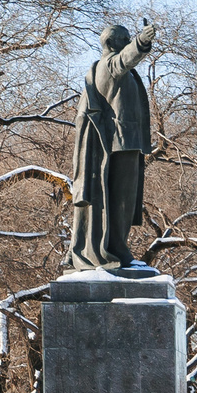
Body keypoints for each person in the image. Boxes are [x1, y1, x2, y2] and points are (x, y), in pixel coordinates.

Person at [68, 22, 156, 269]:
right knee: (121, 203)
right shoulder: (108, 65)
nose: (128, 43)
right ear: (112, 44)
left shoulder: (108, 68)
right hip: (120, 144)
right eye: (125, 39)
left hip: (125, 144)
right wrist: (141, 42)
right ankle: (115, 249)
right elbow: (124, 60)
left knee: (123, 203)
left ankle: (117, 247)